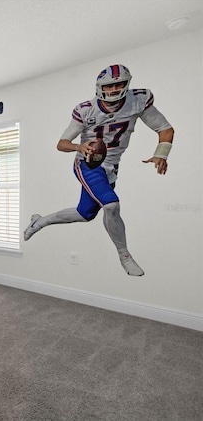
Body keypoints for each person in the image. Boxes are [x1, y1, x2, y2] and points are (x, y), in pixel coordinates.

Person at [23, 64, 174, 276]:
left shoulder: (138, 100)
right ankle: (124, 255)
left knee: (84, 214)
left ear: (127, 84)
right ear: (99, 87)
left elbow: (165, 128)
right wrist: (78, 146)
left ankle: (39, 221)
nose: (113, 90)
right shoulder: (86, 109)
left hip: (111, 166)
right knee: (111, 205)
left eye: (118, 84)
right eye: (108, 86)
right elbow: (61, 143)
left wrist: (161, 153)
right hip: (88, 163)